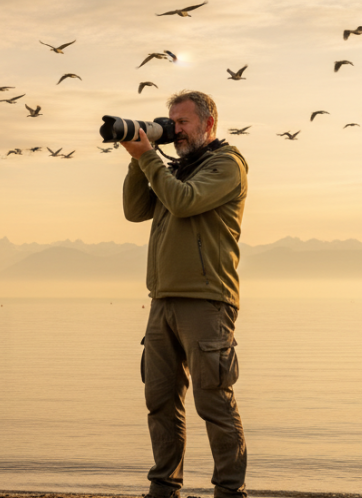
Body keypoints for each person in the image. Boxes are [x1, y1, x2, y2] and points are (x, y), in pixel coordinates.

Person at [119, 90, 249, 498]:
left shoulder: (226, 165)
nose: (174, 129)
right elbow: (134, 210)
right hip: (163, 301)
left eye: (183, 122)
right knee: (159, 400)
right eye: (170, 121)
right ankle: (164, 488)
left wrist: (149, 159)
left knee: (213, 402)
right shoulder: (172, 168)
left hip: (206, 300)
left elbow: (184, 203)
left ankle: (230, 491)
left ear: (208, 123)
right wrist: (138, 158)